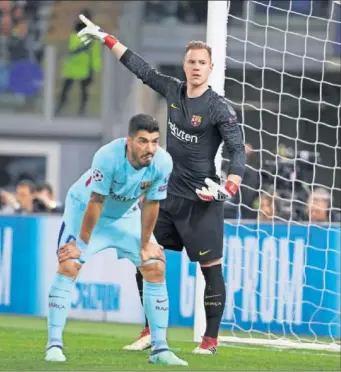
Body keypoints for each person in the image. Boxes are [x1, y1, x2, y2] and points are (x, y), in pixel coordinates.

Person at [77, 16, 246, 355]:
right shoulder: (173, 90)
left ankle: (210, 340)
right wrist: (109, 40)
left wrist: (229, 183)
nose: (196, 67)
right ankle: (149, 331)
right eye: (191, 62)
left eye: (202, 63)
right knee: (147, 260)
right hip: (167, 196)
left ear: (211, 68)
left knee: (210, 269)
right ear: (184, 66)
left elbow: (237, 148)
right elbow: (142, 69)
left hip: (203, 200)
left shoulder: (218, 107)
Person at [45, 114, 187, 366]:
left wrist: (146, 245)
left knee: (155, 265)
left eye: (155, 142)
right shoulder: (107, 156)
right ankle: (54, 345)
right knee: (69, 263)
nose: (150, 149)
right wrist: (80, 243)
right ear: (129, 141)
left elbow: (152, 203)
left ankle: (160, 350)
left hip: (126, 214)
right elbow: (96, 202)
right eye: (143, 141)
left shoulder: (163, 162)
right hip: (85, 211)